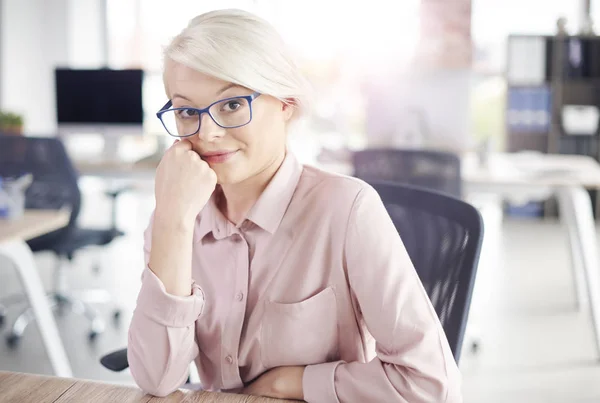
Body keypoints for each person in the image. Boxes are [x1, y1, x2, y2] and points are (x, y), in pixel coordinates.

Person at [128, 8, 462, 403]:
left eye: (232, 105)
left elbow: (432, 385)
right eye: (186, 111)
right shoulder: (177, 214)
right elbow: (156, 379)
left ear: (286, 102)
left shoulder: (346, 210)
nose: (208, 132)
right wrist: (173, 223)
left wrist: (292, 383)